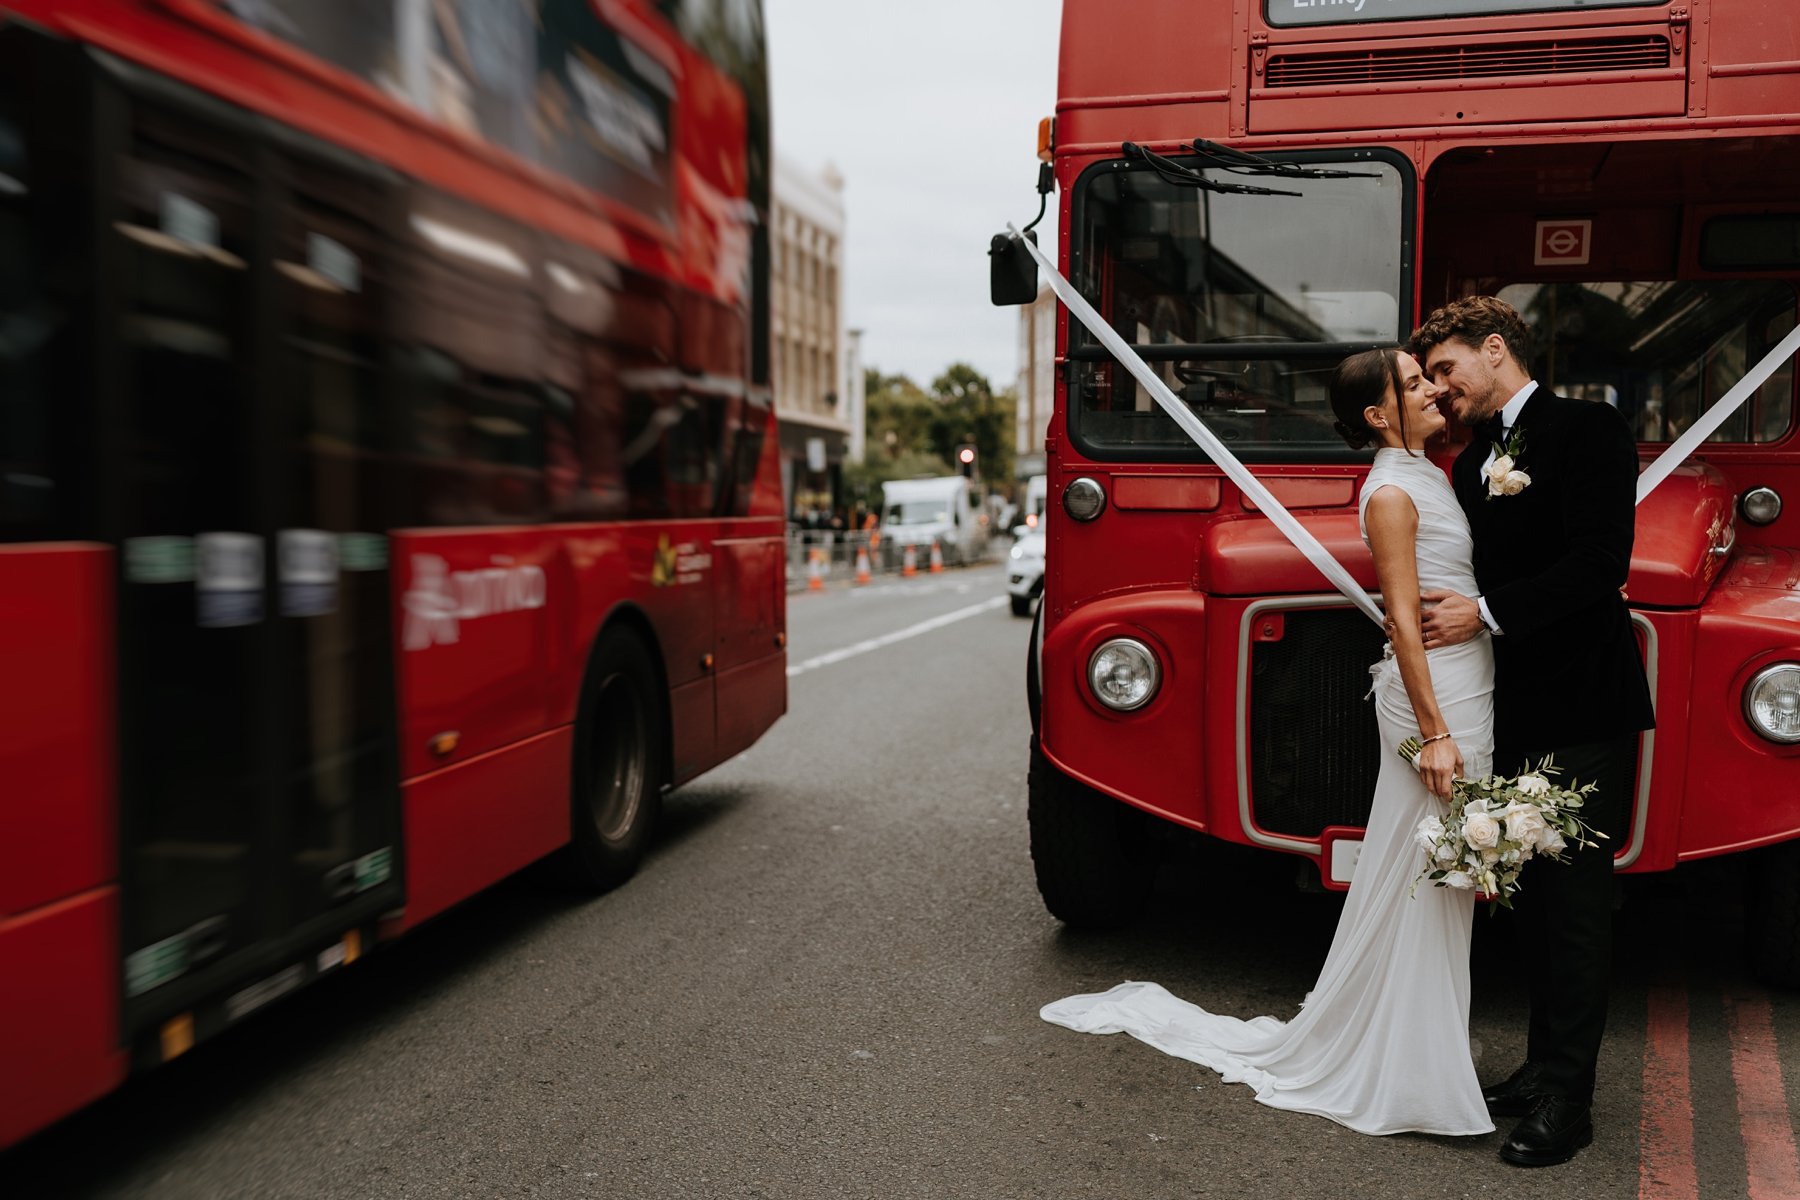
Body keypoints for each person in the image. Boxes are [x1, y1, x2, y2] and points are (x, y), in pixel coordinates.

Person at [1041, 348, 1495, 1138]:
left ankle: (1421, 1048)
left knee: (1432, 876)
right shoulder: (1391, 493)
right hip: (1439, 701)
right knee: (1430, 871)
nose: (1434, 390)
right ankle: (1407, 1068)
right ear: (1380, 417)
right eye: (1415, 383)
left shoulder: (1432, 474)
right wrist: (1437, 734)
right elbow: (1400, 623)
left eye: (1429, 377)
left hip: (1466, 684)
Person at [1410, 296, 1654, 1167]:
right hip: (1511, 709)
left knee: (1578, 905)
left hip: (1583, 702)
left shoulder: (1588, 428)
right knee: (1536, 903)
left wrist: (1481, 615)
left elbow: (1600, 563)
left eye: (1448, 370)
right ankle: (1541, 1066)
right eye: (1429, 379)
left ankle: (1570, 1101)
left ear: (1496, 349)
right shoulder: (1473, 459)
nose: (1441, 390)